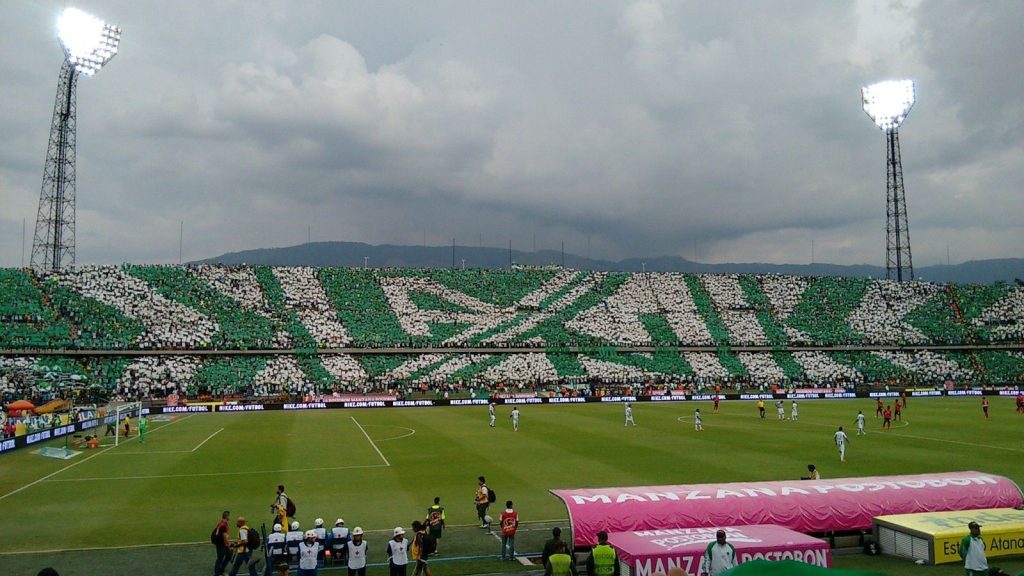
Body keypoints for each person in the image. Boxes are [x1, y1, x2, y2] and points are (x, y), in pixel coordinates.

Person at [213, 510, 232, 576]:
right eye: (229, 516)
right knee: (220, 559)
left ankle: (221, 571)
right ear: (227, 516)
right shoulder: (223, 525)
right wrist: (228, 544)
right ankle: (217, 573)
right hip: (221, 544)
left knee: (229, 555)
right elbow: (224, 536)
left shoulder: (221, 522)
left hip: (221, 543)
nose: (230, 517)